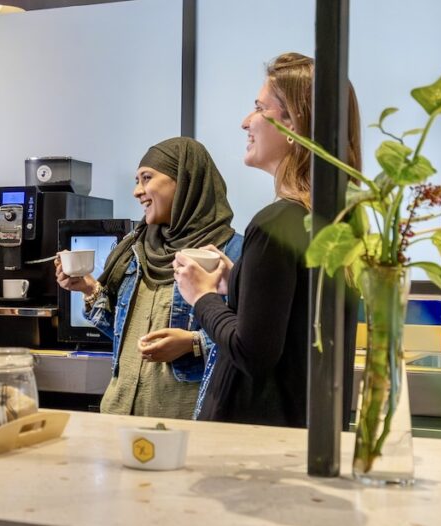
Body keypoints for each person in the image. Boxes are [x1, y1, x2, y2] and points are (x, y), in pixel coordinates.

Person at [174, 52, 362, 427]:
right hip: (310, 431)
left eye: (260, 108)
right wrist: (239, 282)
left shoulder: (276, 223)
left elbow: (252, 353)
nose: (246, 121)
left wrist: (203, 296)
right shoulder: (339, 222)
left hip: (256, 440)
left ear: (296, 124)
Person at [55, 137, 242, 419]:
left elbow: (250, 343)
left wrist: (193, 342)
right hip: (119, 413)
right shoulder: (135, 250)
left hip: (185, 421)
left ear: (184, 182)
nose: (136, 191)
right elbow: (126, 336)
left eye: (146, 178)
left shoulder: (229, 253)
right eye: (136, 180)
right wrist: (89, 289)